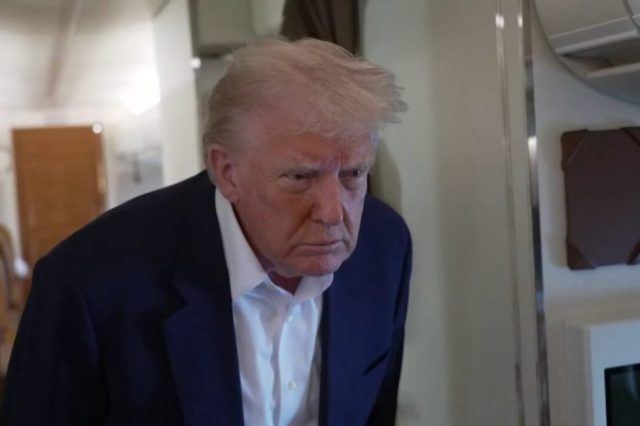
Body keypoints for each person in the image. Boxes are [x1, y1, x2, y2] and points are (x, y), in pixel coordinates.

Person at [1, 39, 411, 426]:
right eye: (300, 177)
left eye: (354, 173)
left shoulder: (386, 247)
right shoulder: (87, 281)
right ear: (227, 172)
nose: (333, 213)